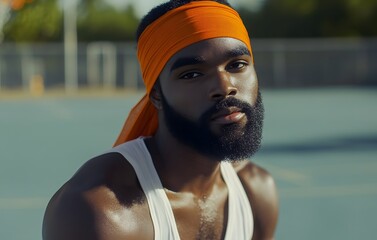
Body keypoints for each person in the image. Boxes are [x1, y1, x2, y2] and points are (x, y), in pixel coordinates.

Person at [42, 0, 279, 239]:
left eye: (237, 65)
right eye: (192, 74)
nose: (225, 86)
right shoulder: (101, 212)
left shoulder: (255, 193)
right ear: (156, 94)